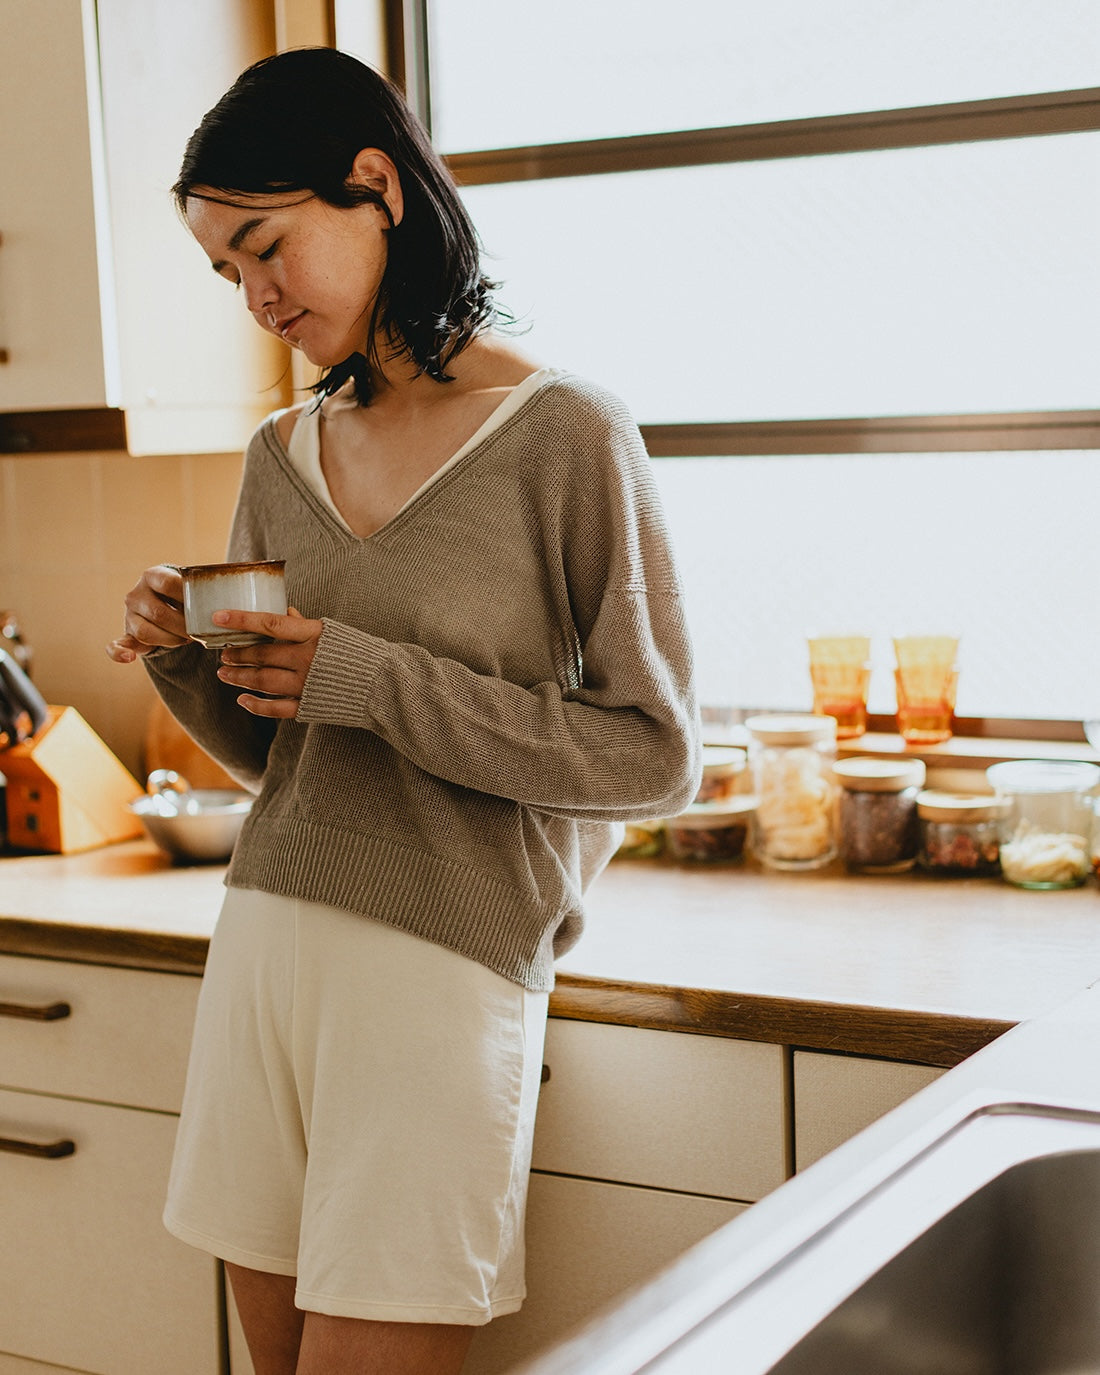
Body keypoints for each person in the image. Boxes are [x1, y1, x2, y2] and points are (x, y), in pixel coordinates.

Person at [107, 46, 700, 1375]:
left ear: (374, 187)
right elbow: (294, 756)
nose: (254, 296)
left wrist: (368, 676)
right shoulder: (279, 454)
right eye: (225, 270)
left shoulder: (565, 437)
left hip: (437, 970)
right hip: (264, 941)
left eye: (266, 246)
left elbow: (653, 755)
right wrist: (189, 664)